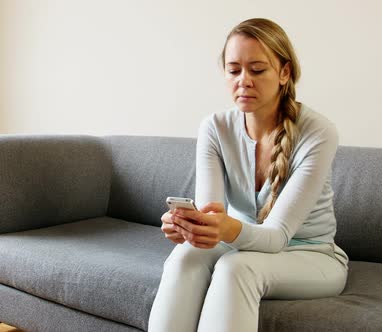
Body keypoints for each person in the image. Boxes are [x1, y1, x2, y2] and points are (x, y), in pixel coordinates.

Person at [148, 18, 349, 332]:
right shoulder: (215, 128)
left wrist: (225, 228)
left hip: (311, 254)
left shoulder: (318, 132)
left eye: (257, 70)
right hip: (241, 244)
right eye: (234, 70)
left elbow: (277, 236)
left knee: (236, 268)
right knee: (185, 256)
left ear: (284, 72)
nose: (244, 80)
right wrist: (190, 227)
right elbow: (210, 213)